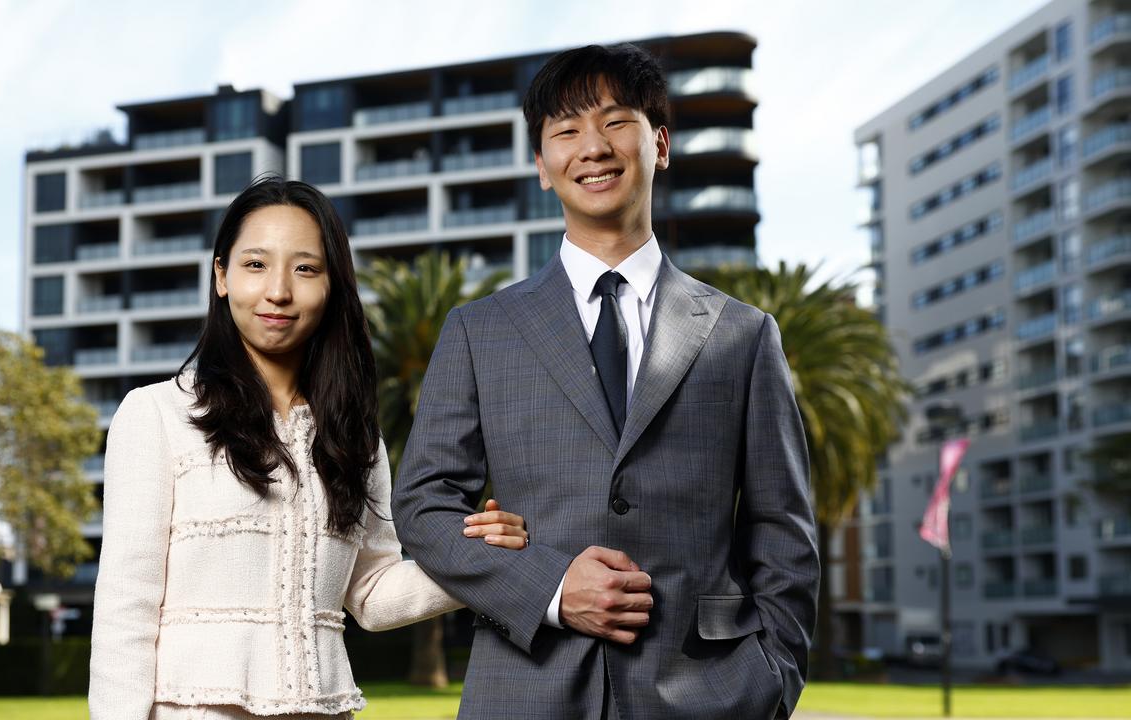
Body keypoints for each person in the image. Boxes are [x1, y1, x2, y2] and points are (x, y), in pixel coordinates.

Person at [391, 43, 818, 720]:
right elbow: (423, 509)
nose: (592, 147)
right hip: (524, 692)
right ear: (541, 165)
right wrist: (552, 586)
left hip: (706, 694)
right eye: (565, 131)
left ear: (661, 143)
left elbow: (783, 533)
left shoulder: (744, 334)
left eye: (616, 121)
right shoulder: (479, 330)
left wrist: (772, 679)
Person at [89, 176, 529, 720]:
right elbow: (124, 607)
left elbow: (371, 592)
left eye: (305, 268)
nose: (278, 290)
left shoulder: (355, 437)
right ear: (221, 277)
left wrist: (482, 559)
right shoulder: (156, 414)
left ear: (332, 287)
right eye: (255, 264)